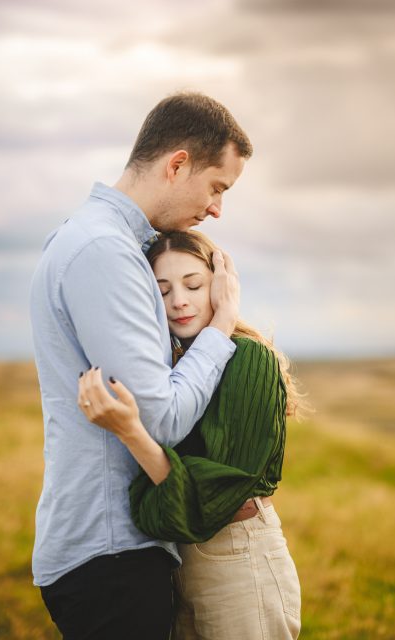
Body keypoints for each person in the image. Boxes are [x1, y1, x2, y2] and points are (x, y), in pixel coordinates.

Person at [28, 92, 252, 639]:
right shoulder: (104, 250)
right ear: (177, 164)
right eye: (216, 187)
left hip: (112, 552)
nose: (217, 209)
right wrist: (221, 327)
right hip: (111, 555)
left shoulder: (95, 240)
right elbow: (161, 419)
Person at [78, 230, 304, 639]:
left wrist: (131, 432)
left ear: (220, 286)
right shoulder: (171, 367)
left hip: (238, 555)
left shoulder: (249, 358)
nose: (178, 301)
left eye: (193, 285)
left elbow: (211, 496)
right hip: (183, 560)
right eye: (161, 291)